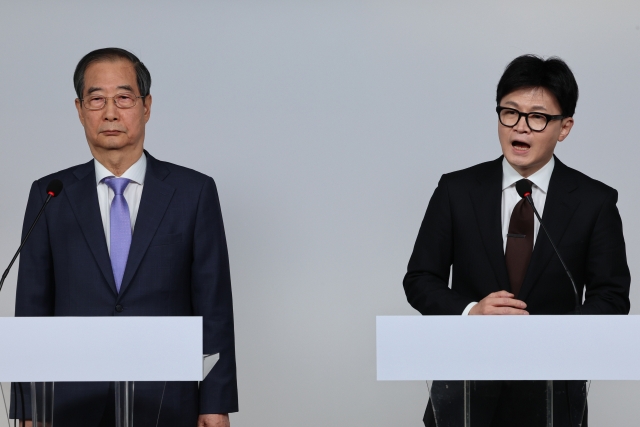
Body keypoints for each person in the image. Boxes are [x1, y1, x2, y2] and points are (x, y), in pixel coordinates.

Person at [12, 48, 238, 427]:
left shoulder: (192, 192)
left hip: (167, 396)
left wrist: (214, 403)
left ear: (146, 106)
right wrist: (27, 408)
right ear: (80, 110)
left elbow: (213, 305)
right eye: (96, 99)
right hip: (70, 400)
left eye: (124, 98)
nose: (111, 112)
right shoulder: (51, 194)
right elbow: (32, 309)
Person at [403, 55, 630, 426]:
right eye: (510, 112)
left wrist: (548, 335)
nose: (520, 127)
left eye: (537, 116)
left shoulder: (594, 201)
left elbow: (611, 298)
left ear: (565, 127)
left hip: (552, 400)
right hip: (464, 396)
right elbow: (420, 280)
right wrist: (471, 312)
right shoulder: (456, 190)